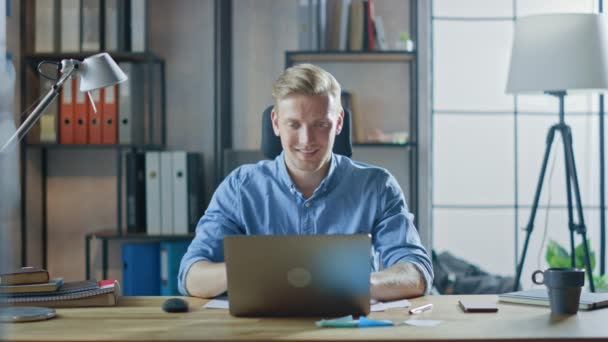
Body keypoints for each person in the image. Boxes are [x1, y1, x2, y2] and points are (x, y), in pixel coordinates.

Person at [178, 63, 433, 301]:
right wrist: (249, 271)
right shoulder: (240, 187)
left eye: (320, 124)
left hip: (348, 328)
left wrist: (358, 283)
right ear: (276, 124)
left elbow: (416, 273)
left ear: (339, 122)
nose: (307, 139)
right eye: (294, 125)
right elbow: (191, 276)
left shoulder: (377, 186)